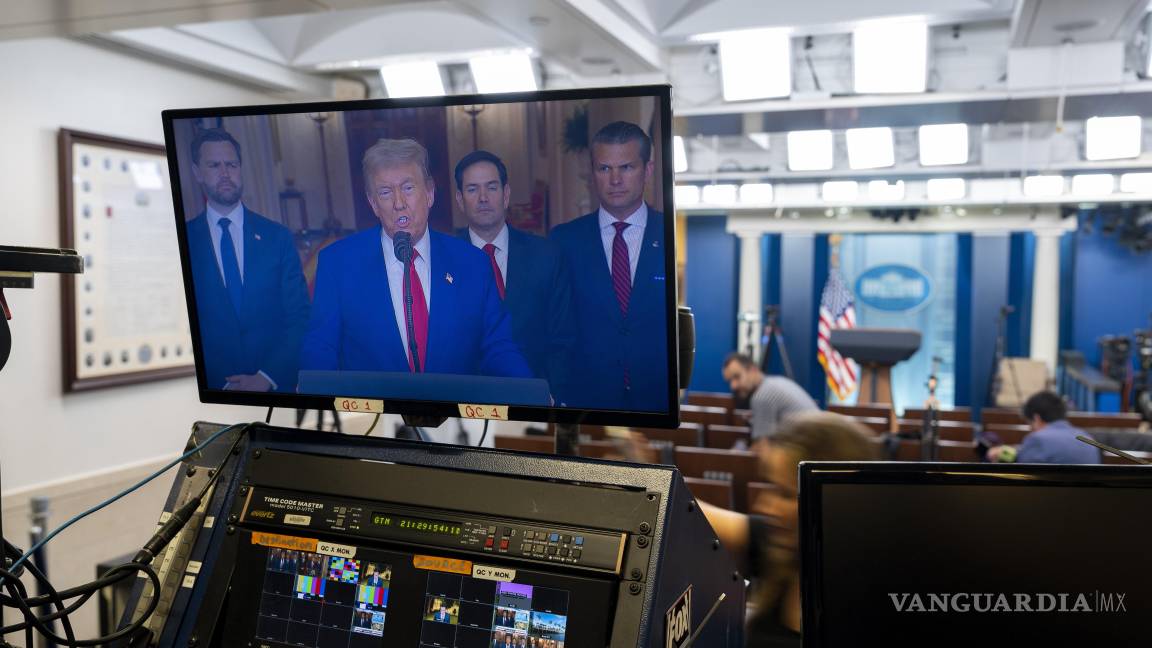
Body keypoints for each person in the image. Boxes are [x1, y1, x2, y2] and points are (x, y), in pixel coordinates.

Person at [300, 138, 531, 378]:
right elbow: (321, 347)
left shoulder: (472, 263)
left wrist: (529, 396)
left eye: (408, 188)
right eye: (386, 192)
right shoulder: (337, 263)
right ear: (373, 203)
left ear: (429, 194)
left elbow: (498, 346)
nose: (399, 203)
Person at [701, 412, 879, 648]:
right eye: (770, 487)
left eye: (784, 494)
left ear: (836, 498)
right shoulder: (780, 546)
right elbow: (684, 507)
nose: (765, 505)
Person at [550, 121, 668, 412]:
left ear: (648, 171)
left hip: (656, 403)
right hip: (585, 406)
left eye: (626, 167)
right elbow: (554, 326)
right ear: (593, 174)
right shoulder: (564, 241)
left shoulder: (668, 234)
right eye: (604, 169)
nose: (615, 179)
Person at [184, 128, 310, 392]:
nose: (225, 173)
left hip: (276, 390)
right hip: (212, 393)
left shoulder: (278, 238)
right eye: (214, 165)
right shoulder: (184, 240)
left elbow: (300, 318)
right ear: (197, 172)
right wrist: (222, 385)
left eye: (231, 164)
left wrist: (267, 377)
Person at [454, 150, 576, 400]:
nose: (483, 198)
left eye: (492, 187)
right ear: (459, 199)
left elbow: (562, 340)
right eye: (472, 189)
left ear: (506, 194)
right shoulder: (442, 261)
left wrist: (551, 398)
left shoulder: (547, 256)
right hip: (466, 403)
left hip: (535, 401)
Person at [721, 353, 819, 440]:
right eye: (730, 381)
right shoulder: (778, 381)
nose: (733, 386)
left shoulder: (762, 396)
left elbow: (763, 450)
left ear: (753, 370)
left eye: (737, 377)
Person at [986, 391, 1099, 464]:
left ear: (1036, 418)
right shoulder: (1087, 438)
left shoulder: (1037, 439)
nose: (1031, 429)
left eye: (1030, 424)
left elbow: (1022, 475)